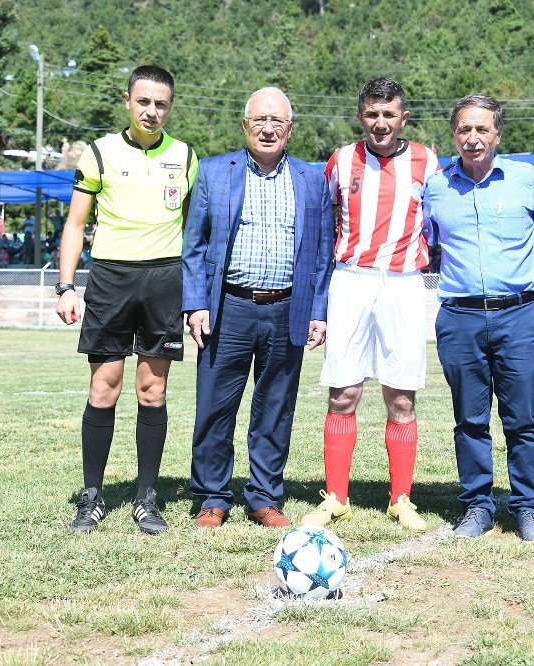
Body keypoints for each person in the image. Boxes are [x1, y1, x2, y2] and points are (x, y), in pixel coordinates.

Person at [54, 65, 198, 535]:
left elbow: (194, 231)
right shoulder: (99, 153)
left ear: (169, 107)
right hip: (111, 281)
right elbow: (75, 225)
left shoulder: (185, 155)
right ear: (128, 101)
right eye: (143, 102)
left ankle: (146, 498)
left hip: (164, 280)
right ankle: (91, 497)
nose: (151, 111)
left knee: (152, 391)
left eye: (160, 104)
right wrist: (66, 285)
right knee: (104, 388)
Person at [182, 87, 334, 529]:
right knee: (214, 406)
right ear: (245, 125)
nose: (268, 129)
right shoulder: (212, 172)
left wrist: (317, 311)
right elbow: (194, 247)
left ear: (290, 128)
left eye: (278, 122)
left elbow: (322, 254)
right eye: (259, 121)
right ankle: (212, 496)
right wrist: (195, 304)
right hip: (227, 308)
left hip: (287, 309)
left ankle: (264, 496)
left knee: (275, 407)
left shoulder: (311, 179)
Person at [302, 77, 439, 532]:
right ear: (361, 117)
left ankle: (401, 498)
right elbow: (323, 230)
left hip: (403, 283)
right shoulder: (341, 160)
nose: (381, 123)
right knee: (344, 392)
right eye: (372, 114)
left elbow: (439, 225)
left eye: (389, 114)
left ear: (404, 117)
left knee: (400, 396)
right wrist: (317, 303)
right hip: (351, 282)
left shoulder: (427, 161)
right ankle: (335, 496)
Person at [422, 93, 534, 542]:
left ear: (498, 133)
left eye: (482, 129)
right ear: (453, 135)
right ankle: (477, 506)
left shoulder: (527, 180)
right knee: (470, 420)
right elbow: (428, 246)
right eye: (464, 130)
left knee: (522, 420)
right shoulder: (436, 187)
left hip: (519, 317)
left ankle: (529, 509)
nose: (472, 138)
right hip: (460, 320)